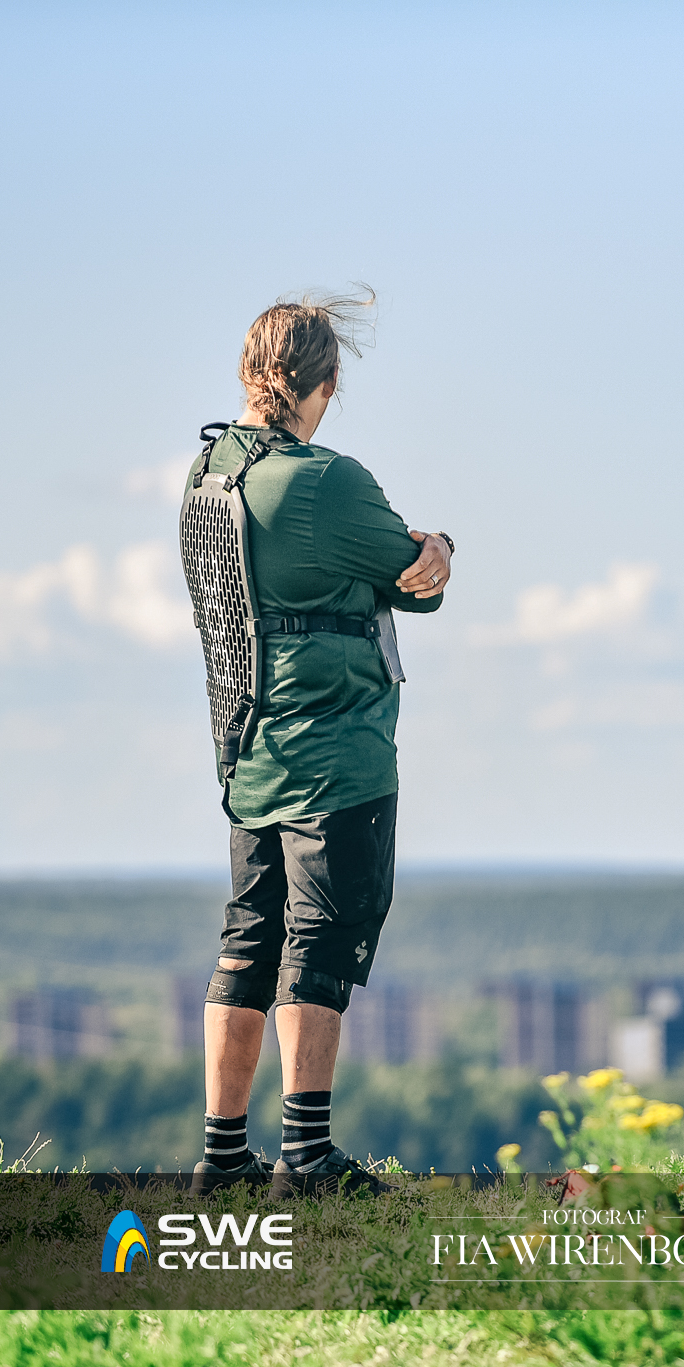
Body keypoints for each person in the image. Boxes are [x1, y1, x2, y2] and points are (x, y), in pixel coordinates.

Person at [185, 290, 451, 1196]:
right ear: (326, 384)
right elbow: (414, 578)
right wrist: (441, 543)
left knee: (247, 940)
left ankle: (223, 1154)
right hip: (335, 755)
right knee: (319, 946)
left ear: (247, 373)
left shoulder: (208, 476)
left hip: (248, 751)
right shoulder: (326, 481)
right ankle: (304, 1155)